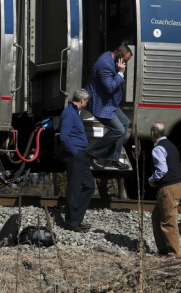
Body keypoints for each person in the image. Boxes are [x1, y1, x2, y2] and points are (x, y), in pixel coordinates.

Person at [85, 44, 132, 170]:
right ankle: (91, 153)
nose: (126, 64)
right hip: (101, 105)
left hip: (110, 103)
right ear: (119, 56)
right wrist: (121, 73)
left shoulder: (112, 57)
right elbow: (110, 87)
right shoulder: (105, 64)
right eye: (125, 61)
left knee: (125, 123)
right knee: (118, 130)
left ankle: (113, 159)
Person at [60, 89, 95, 233]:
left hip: (81, 154)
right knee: (74, 189)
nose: (86, 105)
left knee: (89, 186)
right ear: (81, 100)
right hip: (75, 154)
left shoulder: (74, 112)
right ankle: (71, 222)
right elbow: (64, 136)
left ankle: (77, 218)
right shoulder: (69, 113)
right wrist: (74, 152)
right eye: (86, 102)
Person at [148, 123, 181, 259]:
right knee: (157, 217)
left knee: (168, 220)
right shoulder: (171, 146)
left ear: (152, 134)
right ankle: (163, 249)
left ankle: (174, 253)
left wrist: (151, 180)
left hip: (168, 187)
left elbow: (162, 170)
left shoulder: (158, 148)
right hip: (178, 185)